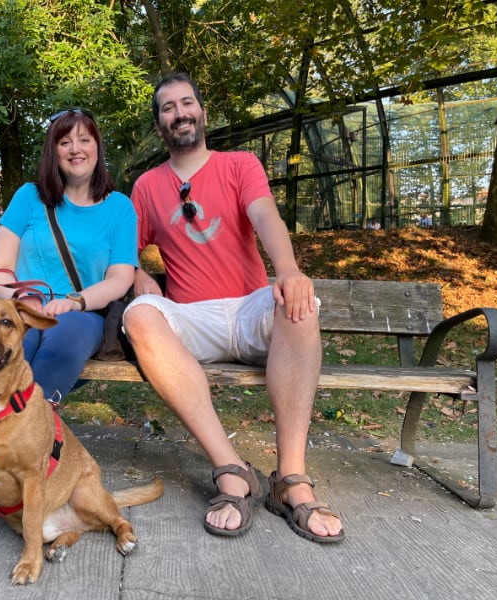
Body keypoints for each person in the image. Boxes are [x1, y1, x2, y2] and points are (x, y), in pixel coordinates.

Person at [122, 73, 344, 542]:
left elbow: (265, 214)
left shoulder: (240, 165)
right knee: (139, 314)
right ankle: (231, 469)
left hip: (248, 309)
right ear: (159, 123)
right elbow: (125, 252)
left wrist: (287, 269)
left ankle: (291, 481)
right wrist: (141, 274)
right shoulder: (146, 186)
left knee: (298, 303)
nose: (179, 113)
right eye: (167, 108)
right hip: (192, 317)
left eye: (187, 103)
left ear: (202, 113)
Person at [0, 108, 138, 545]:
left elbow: (120, 278)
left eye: (85, 139)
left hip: (80, 315)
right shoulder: (30, 198)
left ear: (98, 148)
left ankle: (23, 464)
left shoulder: (118, 207)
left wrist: (72, 301)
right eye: (65, 140)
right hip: (17, 312)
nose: (76, 148)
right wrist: (19, 299)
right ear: (53, 151)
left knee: (55, 350)